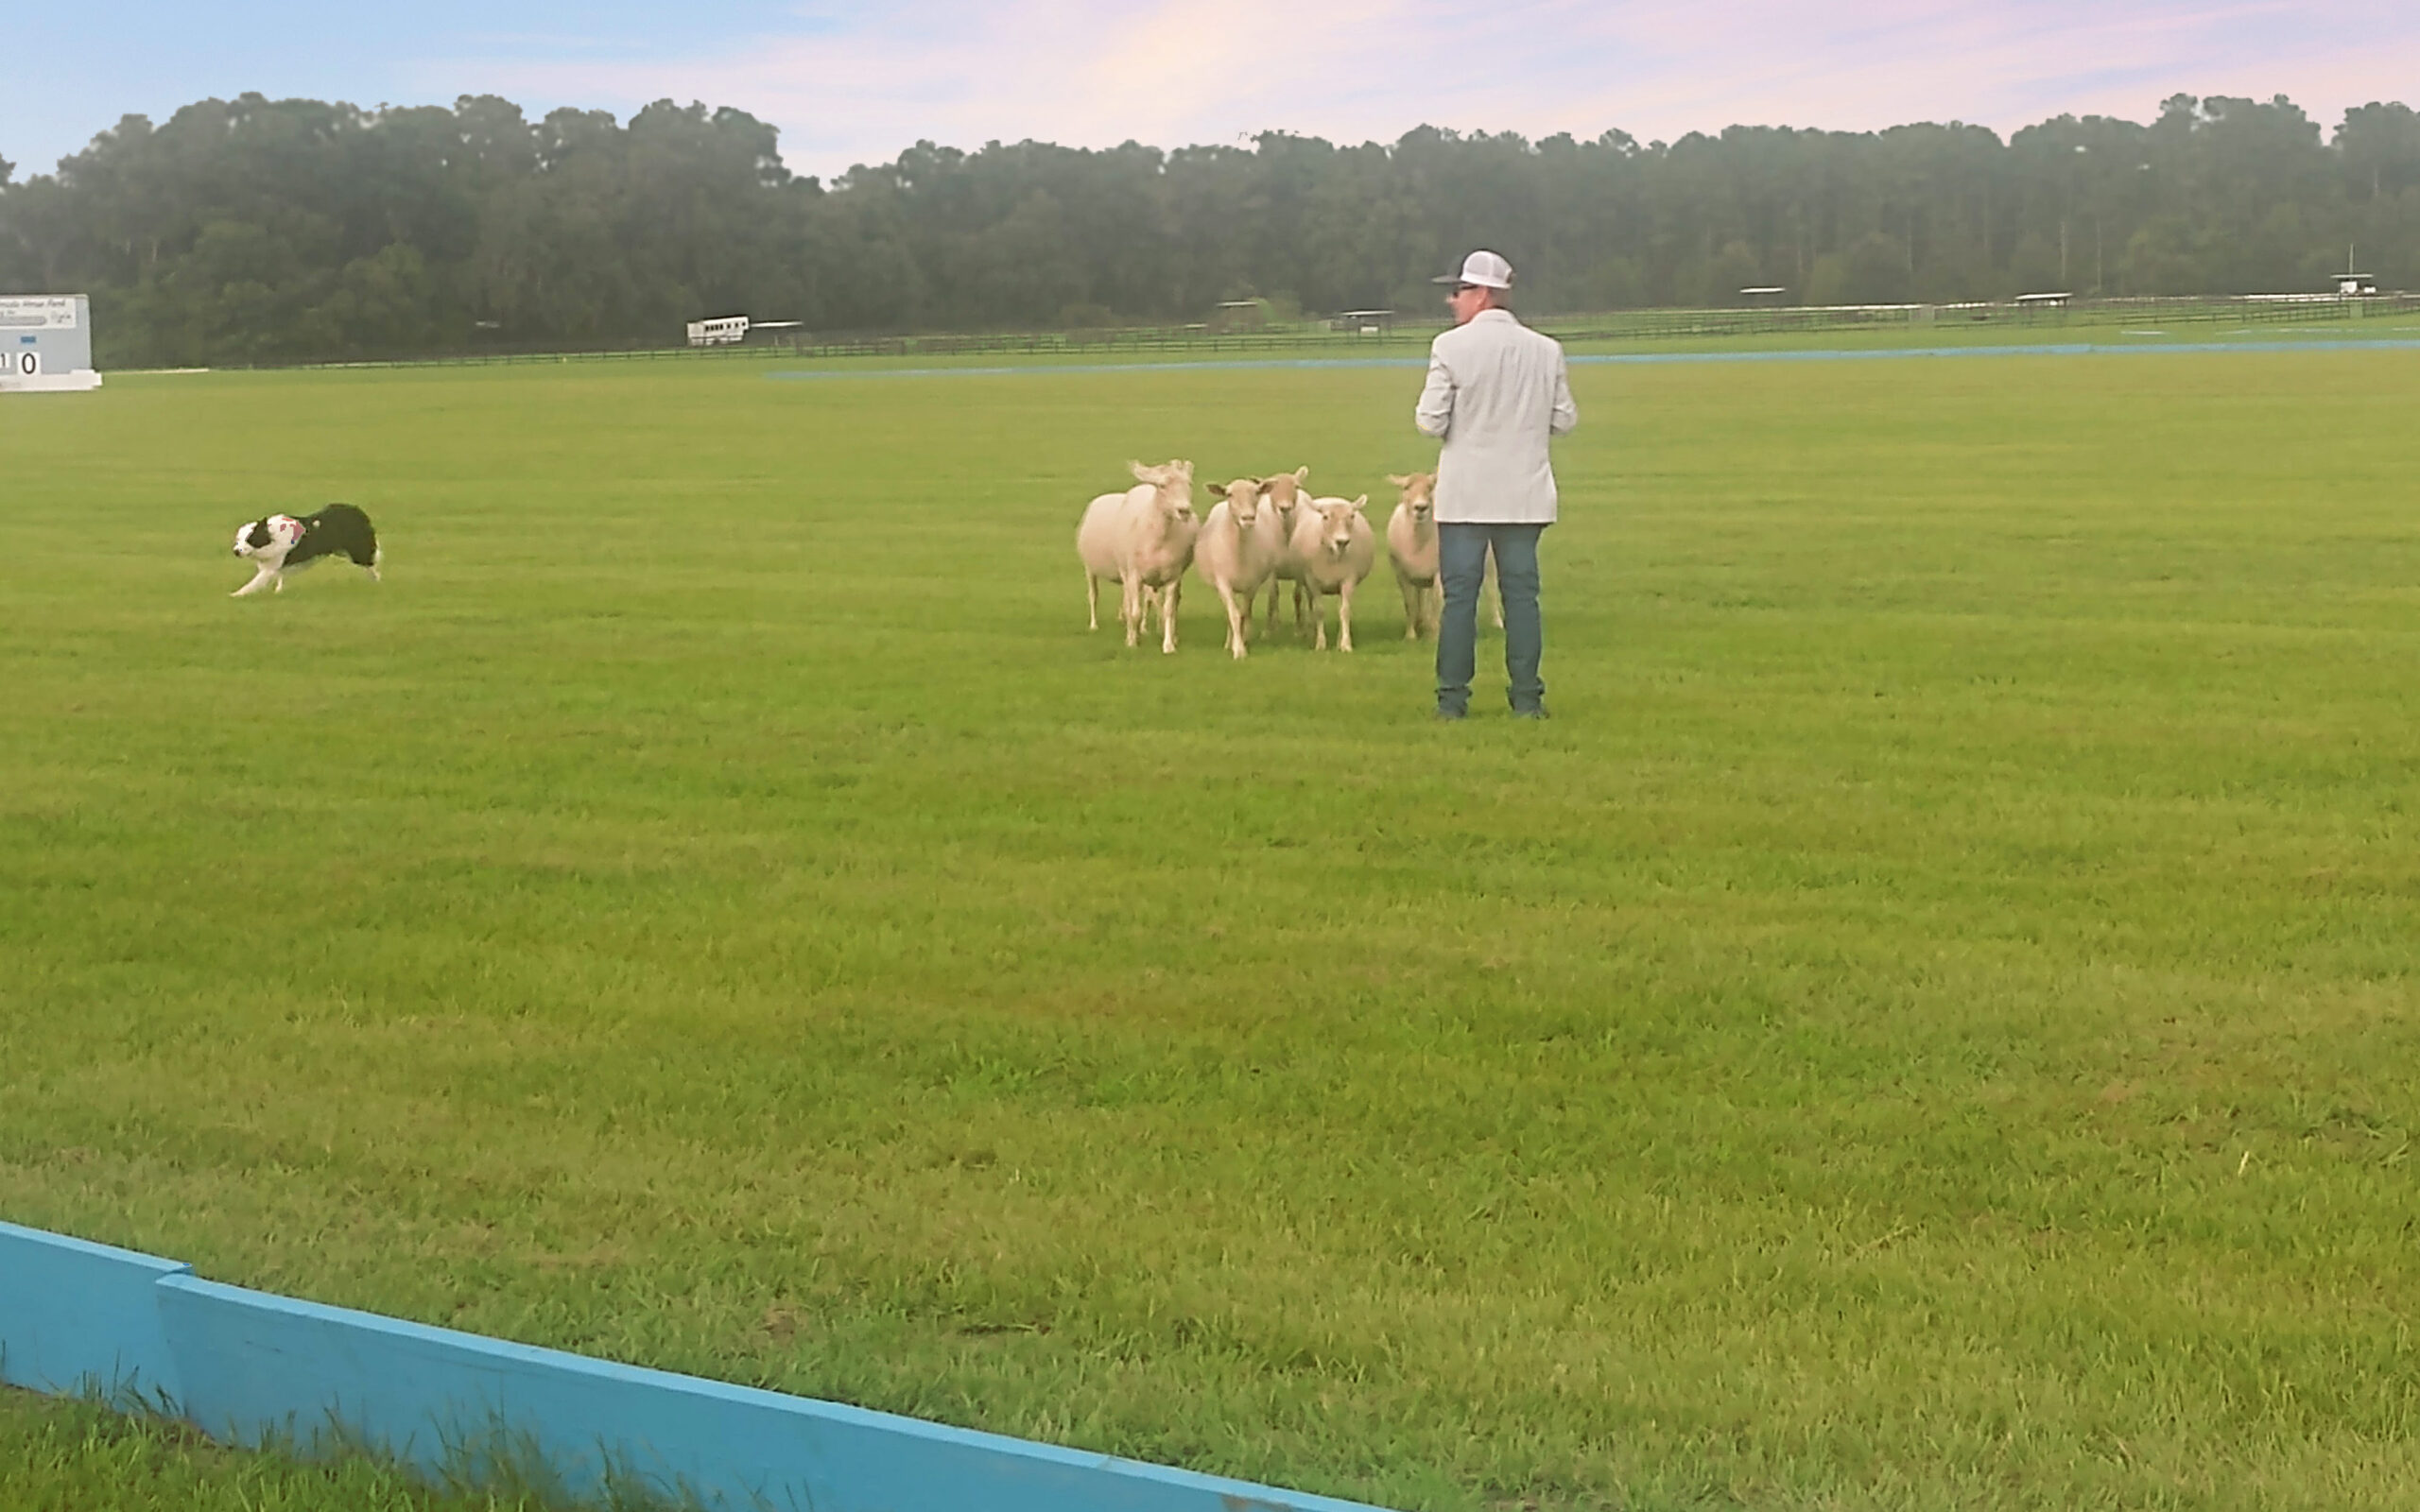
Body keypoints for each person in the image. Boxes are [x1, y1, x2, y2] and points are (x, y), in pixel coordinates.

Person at [1413, 249, 1578, 720]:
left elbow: (1430, 421)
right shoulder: (1546, 350)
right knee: (1522, 597)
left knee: (1460, 598)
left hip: (1466, 497)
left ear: (1483, 294)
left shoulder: (1450, 347)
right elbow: (1565, 420)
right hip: (1524, 496)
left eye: (1459, 291)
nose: (1452, 300)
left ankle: (1452, 701)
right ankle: (1527, 699)